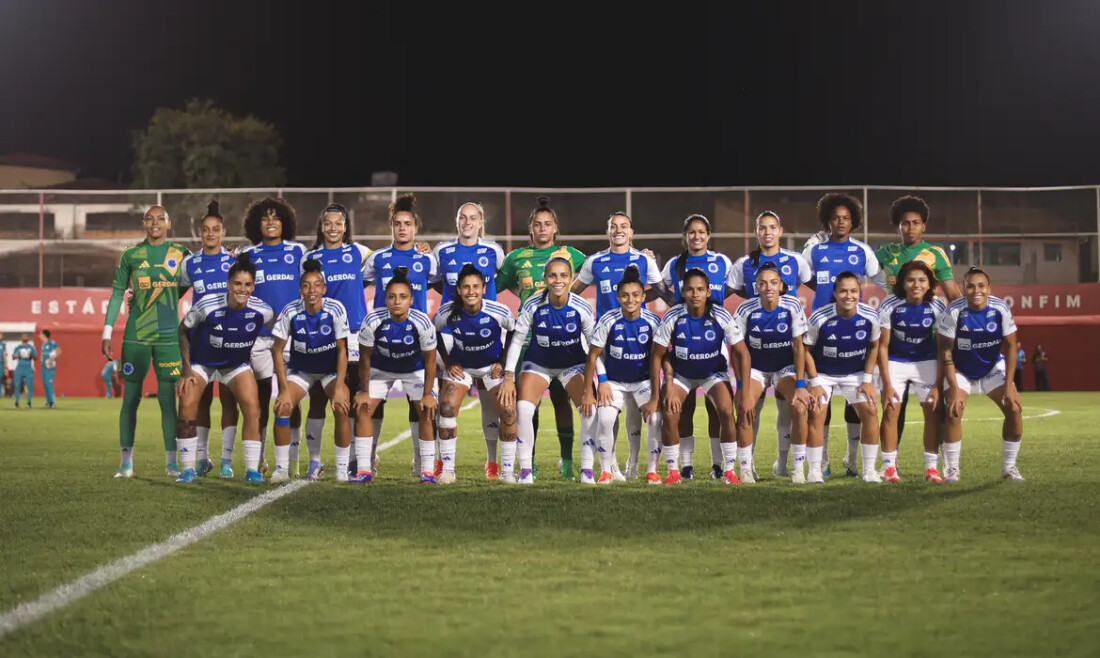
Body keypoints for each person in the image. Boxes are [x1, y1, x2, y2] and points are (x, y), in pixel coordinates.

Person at [496, 196, 586, 479]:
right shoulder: (516, 258)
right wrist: (527, 299)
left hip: (562, 337)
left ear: (555, 228)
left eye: (548, 224)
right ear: (530, 229)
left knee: (562, 400)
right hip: (528, 341)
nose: (543, 228)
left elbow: (600, 266)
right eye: (537, 224)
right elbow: (497, 285)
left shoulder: (572, 255)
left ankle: (568, 461)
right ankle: (529, 462)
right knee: (528, 405)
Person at [572, 212, 664, 479]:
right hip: (606, 341)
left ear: (631, 232)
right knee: (608, 409)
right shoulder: (595, 261)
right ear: (607, 231)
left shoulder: (644, 260)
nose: (619, 230)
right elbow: (574, 292)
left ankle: (634, 464)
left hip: (637, 338)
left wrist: (640, 303)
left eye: (624, 226)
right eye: (614, 227)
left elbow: (659, 290)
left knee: (637, 412)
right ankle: (609, 464)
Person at [102, 205, 189, 478]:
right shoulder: (131, 254)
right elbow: (117, 293)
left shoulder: (181, 254)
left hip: (168, 337)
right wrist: (106, 332)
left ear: (169, 223)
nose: (155, 224)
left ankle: (171, 463)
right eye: (150, 219)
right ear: (143, 224)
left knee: (167, 400)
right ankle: (126, 464)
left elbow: (187, 284)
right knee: (130, 399)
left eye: (160, 219)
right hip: (136, 337)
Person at [802, 193, 885, 478]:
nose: (841, 222)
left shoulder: (862, 251)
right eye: (836, 217)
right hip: (823, 328)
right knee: (819, 408)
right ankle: (820, 463)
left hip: (851, 333)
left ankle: (859, 463)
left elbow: (883, 279)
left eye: (846, 218)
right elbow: (800, 277)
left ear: (854, 222)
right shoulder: (814, 250)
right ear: (827, 221)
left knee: (861, 407)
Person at [174, 253, 274, 483]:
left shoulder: (263, 311)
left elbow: (276, 332)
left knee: (252, 407)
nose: (242, 289)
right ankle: (188, 469)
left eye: (248, 285)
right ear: (228, 285)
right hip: (203, 364)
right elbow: (182, 330)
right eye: (237, 284)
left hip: (234, 366)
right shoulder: (207, 305)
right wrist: (186, 369)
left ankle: (251, 470)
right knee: (187, 402)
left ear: (253, 286)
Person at [498, 257, 598, 484]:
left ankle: (587, 469)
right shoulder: (533, 304)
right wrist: (508, 376)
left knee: (589, 410)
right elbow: (516, 341)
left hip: (571, 365)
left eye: (563, 275)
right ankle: (525, 470)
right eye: (552, 275)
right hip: (539, 364)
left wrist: (600, 382)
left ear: (571, 279)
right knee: (523, 408)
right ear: (545, 279)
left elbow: (594, 348)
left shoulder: (581, 307)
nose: (558, 280)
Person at [874, 195, 960, 456]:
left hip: (928, 343)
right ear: (897, 226)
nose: (910, 227)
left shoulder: (935, 254)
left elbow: (954, 297)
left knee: (937, 406)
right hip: (895, 342)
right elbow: (853, 270)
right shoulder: (886, 253)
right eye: (904, 223)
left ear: (924, 226)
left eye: (915, 223)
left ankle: (943, 460)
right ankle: (891, 461)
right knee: (893, 407)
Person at [729, 210, 812, 478]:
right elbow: (737, 351)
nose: (768, 287)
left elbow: (799, 347)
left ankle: (794, 468)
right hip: (756, 368)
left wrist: (801, 384)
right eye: (762, 283)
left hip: (784, 366)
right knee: (745, 407)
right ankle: (745, 468)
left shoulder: (792, 304)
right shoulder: (744, 307)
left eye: (773, 283)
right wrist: (741, 387)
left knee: (797, 407)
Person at [362, 194, 440, 477]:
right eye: (398, 224)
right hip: (381, 345)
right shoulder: (378, 259)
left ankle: (421, 463)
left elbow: (444, 285)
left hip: (414, 343)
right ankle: (367, 459)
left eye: (407, 224)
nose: (402, 228)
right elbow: (356, 284)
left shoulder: (427, 260)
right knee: (374, 403)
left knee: (417, 404)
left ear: (415, 227)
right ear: (391, 227)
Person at [652, 267, 752, 485]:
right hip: (681, 374)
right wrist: (661, 390)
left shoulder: (720, 314)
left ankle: (728, 470)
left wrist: (744, 391)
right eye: (690, 289)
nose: (695, 294)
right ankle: (674, 471)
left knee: (726, 411)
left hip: (712, 373)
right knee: (670, 412)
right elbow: (657, 355)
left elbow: (741, 351)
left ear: (708, 292)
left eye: (700, 289)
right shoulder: (673, 315)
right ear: (683, 291)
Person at [432, 202, 507, 479]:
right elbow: (432, 278)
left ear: (480, 222)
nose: (467, 222)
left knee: (490, 402)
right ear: (457, 222)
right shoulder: (442, 251)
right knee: (447, 400)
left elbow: (506, 276)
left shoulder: (494, 251)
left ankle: (492, 463)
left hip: (487, 334)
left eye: (472, 218)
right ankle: (442, 461)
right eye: (463, 217)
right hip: (454, 334)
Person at [659, 214, 737, 480]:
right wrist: (676, 304)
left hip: (714, 342)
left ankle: (719, 465)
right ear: (685, 235)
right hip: (684, 339)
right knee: (685, 408)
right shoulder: (674, 264)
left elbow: (732, 288)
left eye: (701, 232)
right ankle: (686, 465)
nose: (696, 236)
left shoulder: (722, 262)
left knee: (719, 408)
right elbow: (660, 289)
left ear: (708, 235)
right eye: (691, 232)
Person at [302, 203, 372, 481]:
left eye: (338, 223)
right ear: (321, 227)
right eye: (328, 223)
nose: (333, 228)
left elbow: (389, 260)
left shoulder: (360, 252)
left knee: (353, 398)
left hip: (354, 335)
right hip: (323, 334)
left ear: (345, 227)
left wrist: (422, 250)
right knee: (318, 399)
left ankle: (355, 458)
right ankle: (314, 461)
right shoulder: (311, 259)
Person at [936, 268, 1025, 482]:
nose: (976, 290)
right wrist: (955, 389)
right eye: (971, 286)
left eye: (981, 286)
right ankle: (952, 470)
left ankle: (1009, 468)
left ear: (989, 288)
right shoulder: (953, 311)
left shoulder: (1000, 308)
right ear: (964, 288)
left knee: (1014, 408)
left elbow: (1012, 346)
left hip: (991, 367)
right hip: (960, 368)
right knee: (954, 410)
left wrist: (1010, 385)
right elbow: (945, 350)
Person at [239, 198, 307, 475]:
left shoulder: (299, 251)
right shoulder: (248, 255)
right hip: (258, 337)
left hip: (290, 336)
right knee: (263, 397)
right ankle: (262, 458)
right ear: (257, 223)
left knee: (290, 397)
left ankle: (293, 460)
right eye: (265, 218)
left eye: (276, 218)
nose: (270, 222)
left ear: (284, 223)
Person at [353, 267, 439, 484]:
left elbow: (430, 361)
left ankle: (427, 472)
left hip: (414, 370)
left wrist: (428, 394)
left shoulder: (422, 322)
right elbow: (364, 359)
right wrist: (363, 391)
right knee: (363, 407)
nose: (396, 302)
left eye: (402, 297)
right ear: (385, 299)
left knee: (426, 410)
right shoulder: (372, 321)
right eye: (391, 297)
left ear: (411, 300)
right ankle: (364, 470)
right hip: (381, 370)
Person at [270, 260, 352, 484]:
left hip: (329, 370)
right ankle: (281, 469)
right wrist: (284, 389)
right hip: (302, 370)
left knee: (343, 406)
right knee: (282, 406)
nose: (312, 290)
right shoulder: (291, 311)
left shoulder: (335, 309)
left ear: (324, 289)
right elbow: (277, 351)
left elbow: (342, 350)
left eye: (317, 285)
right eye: (306, 286)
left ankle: (342, 470)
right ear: (300, 290)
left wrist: (340, 386)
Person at [434, 264, 517, 483]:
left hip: (491, 368)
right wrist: (449, 361)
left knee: (508, 411)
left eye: (476, 287)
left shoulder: (498, 311)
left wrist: (502, 361)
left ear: (483, 288)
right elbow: (433, 332)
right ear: (459, 289)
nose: (471, 291)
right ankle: (448, 470)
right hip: (462, 368)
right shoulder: (447, 312)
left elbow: (513, 331)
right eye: (466, 287)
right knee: (447, 407)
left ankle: (506, 471)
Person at [582, 266, 664, 484]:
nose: (630, 300)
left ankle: (649, 469)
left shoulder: (653, 321)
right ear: (618, 297)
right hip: (615, 383)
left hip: (643, 382)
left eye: (636, 295)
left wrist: (658, 394)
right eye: (625, 295)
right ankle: (606, 470)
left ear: (643, 296)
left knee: (655, 418)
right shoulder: (609, 319)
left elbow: (661, 358)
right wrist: (597, 386)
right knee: (606, 419)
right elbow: (593, 356)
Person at [803, 271, 882, 484]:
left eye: (854, 291)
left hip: (855, 374)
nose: (849, 296)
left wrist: (867, 380)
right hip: (823, 374)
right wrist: (816, 382)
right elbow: (806, 350)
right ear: (836, 293)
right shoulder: (820, 317)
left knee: (871, 410)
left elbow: (874, 346)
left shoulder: (870, 317)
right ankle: (815, 471)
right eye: (844, 291)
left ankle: (869, 470)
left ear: (860, 292)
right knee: (817, 411)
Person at [179, 200, 239, 477]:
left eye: (216, 229)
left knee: (229, 400)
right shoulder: (189, 264)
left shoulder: (234, 262)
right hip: (201, 342)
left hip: (229, 342)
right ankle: (202, 458)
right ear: (200, 233)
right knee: (200, 401)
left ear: (223, 232)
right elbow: (175, 294)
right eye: (206, 230)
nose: (211, 234)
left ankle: (226, 461)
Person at [877, 261, 947, 483]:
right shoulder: (889, 304)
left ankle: (931, 468)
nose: (916, 284)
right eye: (910, 280)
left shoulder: (938, 306)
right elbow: (883, 346)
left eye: (921, 280)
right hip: (895, 361)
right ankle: (889, 468)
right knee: (890, 411)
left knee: (932, 411)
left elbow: (942, 346)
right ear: (902, 283)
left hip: (926, 362)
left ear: (929, 284)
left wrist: (938, 384)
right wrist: (886, 384)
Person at [12, 334, 36, 408]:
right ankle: (16, 402)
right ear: (21, 338)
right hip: (19, 367)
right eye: (23, 336)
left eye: (26, 336)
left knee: (30, 385)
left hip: (28, 367)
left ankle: (28, 402)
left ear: (28, 338)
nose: (25, 338)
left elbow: (35, 358)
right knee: (17, 385)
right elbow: (13, 357)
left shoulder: (31, 347)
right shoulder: (18, 347)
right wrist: (19, 355)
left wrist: (30, 355)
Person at [38, 330, 60, 408]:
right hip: (44, 367)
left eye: (40, 334)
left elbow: (59, 351)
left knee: (49, 385)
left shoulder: (52, 343)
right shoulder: (43, 345)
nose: (39, 336)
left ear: (44, 335)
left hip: (50, 368)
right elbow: (43, 355)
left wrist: (52, 360)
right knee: (45, 385)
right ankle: (48, 402)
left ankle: (52, 402)